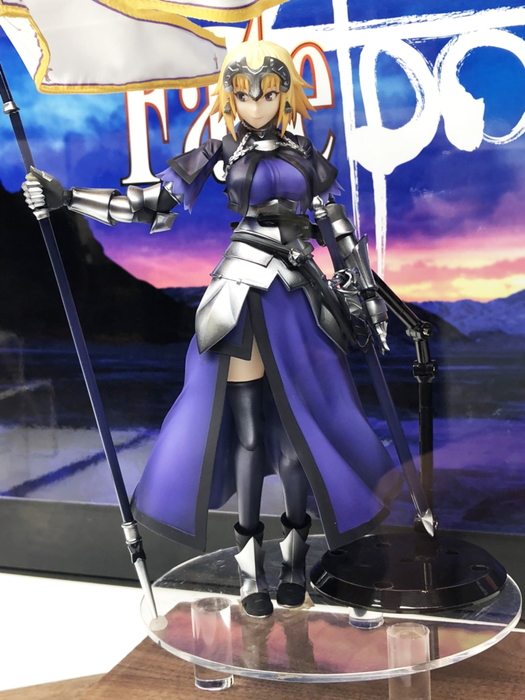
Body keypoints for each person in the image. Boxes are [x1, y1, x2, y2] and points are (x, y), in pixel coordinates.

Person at [23, 40, 401, 618]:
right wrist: (67, 198)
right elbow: (151, 203)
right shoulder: (218, 153)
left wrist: (367, 293)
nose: (256, 106)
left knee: (298, 438)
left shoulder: (306, 156)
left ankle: (296, 556)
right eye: (244, 95)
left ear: (284, 95)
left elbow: (338, 229)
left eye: (267, 94)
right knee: (248, 435)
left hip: (299, 297)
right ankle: (251, 568)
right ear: (231, 98)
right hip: (241, 294)